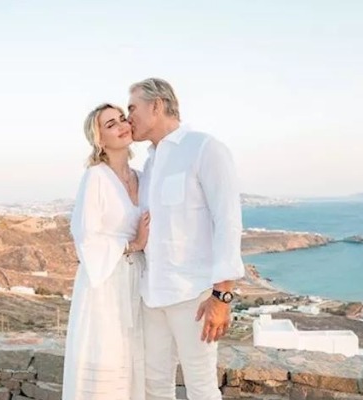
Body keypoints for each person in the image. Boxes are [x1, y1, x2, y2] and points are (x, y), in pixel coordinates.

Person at [127, 78, 245, 400]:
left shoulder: (205, 148)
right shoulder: (150, 164)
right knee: (154, 387)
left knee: (201, 388)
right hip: (152, 297)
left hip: (194, 297)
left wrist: (222, 296)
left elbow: (228, 221)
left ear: (157, 105)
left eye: (133, 108)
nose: (128, 117)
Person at [62, 103, 149, 400]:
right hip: (105, 284)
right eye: (111, 124)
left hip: (138, 282)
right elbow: (85, 237)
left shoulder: (142, 177)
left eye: (122, 118)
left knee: (133, 362)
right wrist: (133, 244)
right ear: (99, 139)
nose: (122, 125)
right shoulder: (96, 177)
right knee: (107, 360)